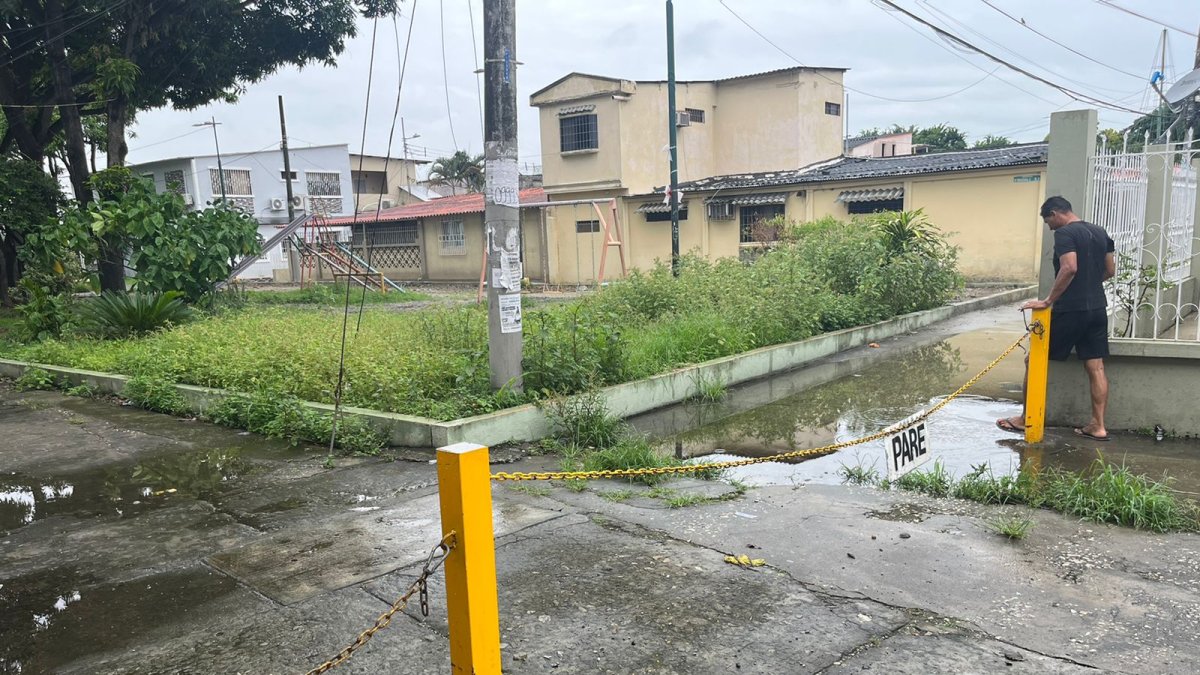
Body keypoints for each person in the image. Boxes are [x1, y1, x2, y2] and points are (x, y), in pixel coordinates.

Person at [996, 195, 1116, 441]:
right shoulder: (1100, 231)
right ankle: (1098, 425)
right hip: (1097, 308)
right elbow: (1111, 270)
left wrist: (1048, 300)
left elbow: (1070, 267)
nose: (1049, 226)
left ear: (1055, 213)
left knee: (1035, 358)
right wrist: (1090, 285)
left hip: (1070, 309)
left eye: (1048, 221)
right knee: (1096, 366)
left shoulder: (1065, 234)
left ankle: (1025, 418)